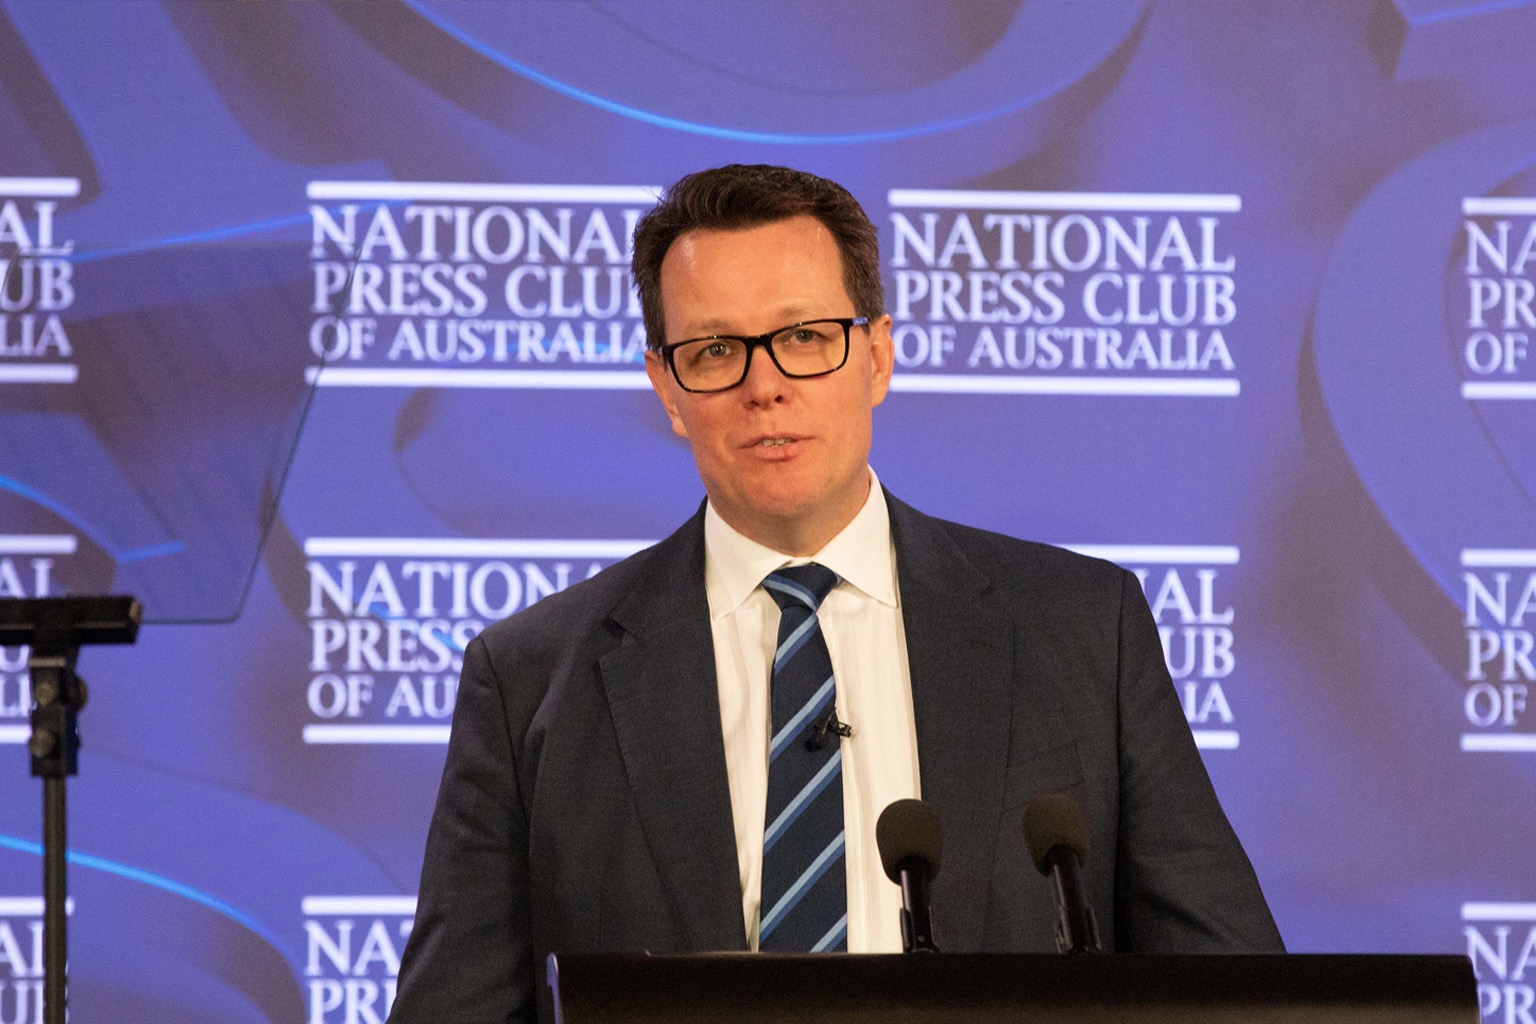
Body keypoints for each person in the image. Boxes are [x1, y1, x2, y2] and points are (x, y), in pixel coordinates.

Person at [388, 165, 1283, 1024]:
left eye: (805, 338)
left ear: (877, 357)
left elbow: (1232, 993)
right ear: (666, 386)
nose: (764, 385)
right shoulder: (531, 681)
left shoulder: (1083, 631)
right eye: (713, 351)